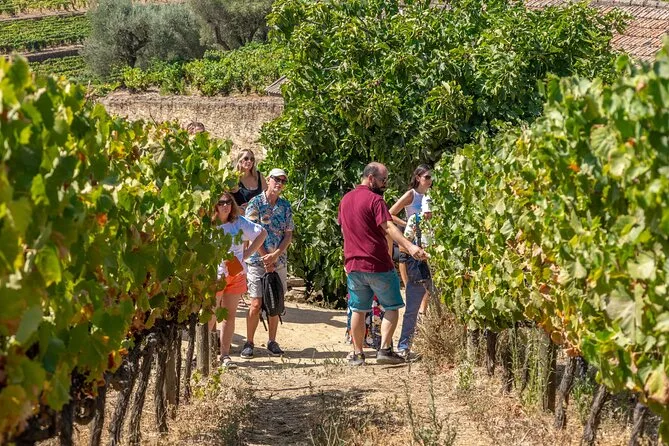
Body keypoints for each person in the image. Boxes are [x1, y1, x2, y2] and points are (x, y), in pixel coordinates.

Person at [338, 162, 427, 366]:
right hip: (377, 263)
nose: (385, 184)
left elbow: (344, 231)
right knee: (392, 306)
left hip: (353, 265)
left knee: (358, 309)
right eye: (383, 180)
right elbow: (388, 227)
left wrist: (347, 257)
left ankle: (357, 354)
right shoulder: (376, 200)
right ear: (371, 178)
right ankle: (385, 350)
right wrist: (410, 246)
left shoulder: (345, 199)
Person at [241, 168, 294, 358]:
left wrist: (276, 254)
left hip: (278, 261)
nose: (279, 184)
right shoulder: (255, 203)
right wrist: (265, 257)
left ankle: (272, 341)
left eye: (283, 181)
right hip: (257, 261)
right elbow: (251, 232)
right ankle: (249, 342)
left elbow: (288, 234)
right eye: (276, 179)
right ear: (269, 180)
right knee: (256, 303)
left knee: (275, 303)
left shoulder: (285, 206)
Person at [210, 192, 267, 368]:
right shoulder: (209, 225)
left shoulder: (238, 222)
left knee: (229, 316)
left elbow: (262, 233)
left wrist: (246, 254)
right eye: (221, 203)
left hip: (236, 275)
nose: (225, 206)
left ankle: (225, 355)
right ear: (215, 205)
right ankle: (204, 353)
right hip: (215, 275)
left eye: (228, 202)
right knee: (210, 315)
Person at [389, 164, 433, 308]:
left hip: (428, 237)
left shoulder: (431, 195)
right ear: (418, 178)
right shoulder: (411, 194)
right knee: (417, 275)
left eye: (431, 177)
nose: (430, 180)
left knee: (427, 276)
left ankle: (422, 310)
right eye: (427, 177)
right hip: (413, 237)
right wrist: (408, 223)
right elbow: (390, 213)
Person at [397, 194, 433, 357]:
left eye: (431, 212)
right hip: (419, 268)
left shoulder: (444, 221)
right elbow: (403, 246)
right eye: (426, 212)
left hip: (440, 270)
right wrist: (417, 252)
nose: (428, 215)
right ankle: (404, 346)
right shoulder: (415, 220)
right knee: (412, 309)